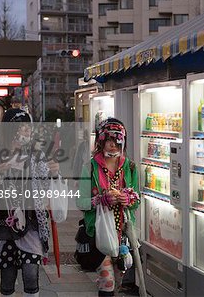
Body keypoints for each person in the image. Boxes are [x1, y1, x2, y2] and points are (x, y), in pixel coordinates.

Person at [0, 109, 60, 297]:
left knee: (31, 273)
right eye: (22, 127)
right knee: (8, 276)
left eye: (28, 127)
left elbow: (46, 186)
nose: (27, 131)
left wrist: (53, 172)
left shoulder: (36, 155)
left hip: (31, 222)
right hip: (3, 223)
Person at [76, 118, 140, 296]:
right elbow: (80, 202)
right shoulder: (89, 167)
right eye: (109, 141)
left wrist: (128, 199)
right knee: (107, 281)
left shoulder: (131, 167)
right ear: (100, 141)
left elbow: (137, 200)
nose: (113, 145)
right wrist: (100, 200)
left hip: (123, 234)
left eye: (117, 141)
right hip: (98, 233)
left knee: (118, 281)